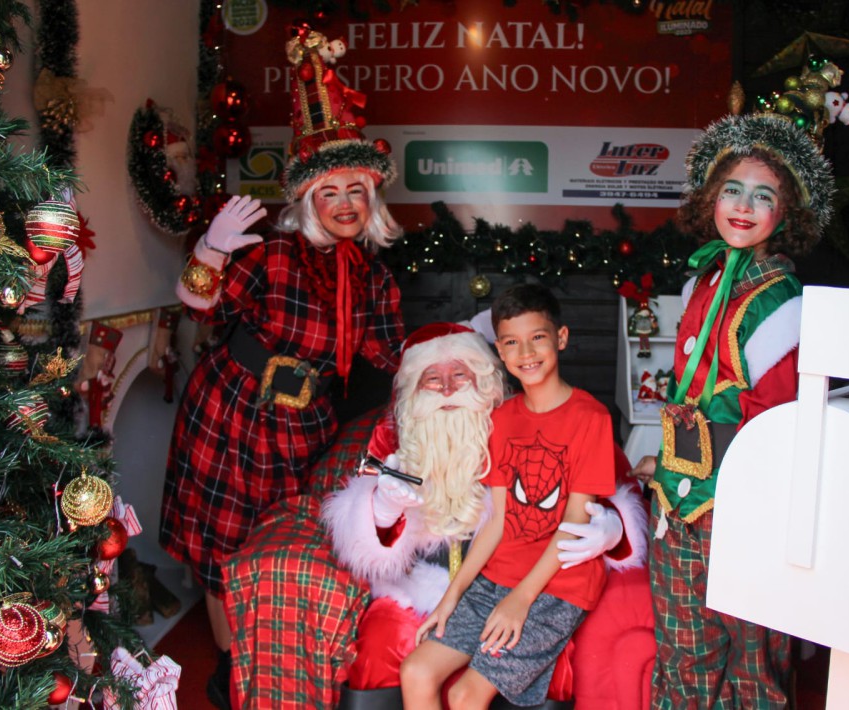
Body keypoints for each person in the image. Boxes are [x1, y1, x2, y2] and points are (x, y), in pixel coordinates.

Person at [159, 25, 405, 709]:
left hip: (303, 425)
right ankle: (232, 668)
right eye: (331, 193)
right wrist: (212, 250)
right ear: (307, 201)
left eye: (356, 190)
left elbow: (390, 358)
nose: (346, 204)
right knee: (224, 545)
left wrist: (451, 368)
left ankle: (271, 655)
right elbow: (195, 302)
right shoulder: (272, 256)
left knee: (281, 543)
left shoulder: (376, 280)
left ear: (373, 199)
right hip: (232, 410)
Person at [223, 320, 647, 710]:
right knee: (389, 645)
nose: (446, 389)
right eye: (432, 378)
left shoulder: (526, 421)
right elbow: (365, 539)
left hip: (511, 585)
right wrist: (386, 508)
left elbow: (603, 481)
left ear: (483, 381)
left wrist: (612, 528)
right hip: (418, 589)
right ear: (414, 391)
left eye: (459, 375)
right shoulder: (394, 439)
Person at [630, 113, 835, 708]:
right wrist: (664, 464)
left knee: (753, 669)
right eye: (732, 190)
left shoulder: (782, 303)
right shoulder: (704, 279)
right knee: (684, 657)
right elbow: (685, 394)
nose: (744, 206)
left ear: (787, 212)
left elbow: (778, 424)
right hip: (678, 502)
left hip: (744, 512)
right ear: (710, 199)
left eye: (764, 196)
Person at [400, 284, 624, 709]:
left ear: (561, 338)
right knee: (416, 671)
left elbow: (576, 523)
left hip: (559, 586)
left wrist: (520, 599)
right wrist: (452, 596)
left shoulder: (591, 417)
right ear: (500, 352)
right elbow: (498, 521)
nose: (526, 352)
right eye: (511, 342)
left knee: (465, 695)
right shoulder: (502, 419)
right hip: (496, 577)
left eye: (537, 337)